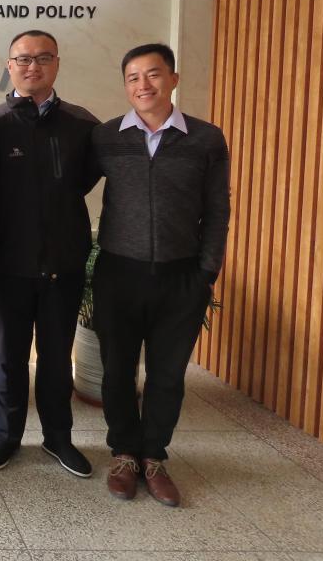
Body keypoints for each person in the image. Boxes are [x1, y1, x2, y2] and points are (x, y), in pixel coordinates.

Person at [91, 43, 230, 507]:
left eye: (153, 74)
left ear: (173, 79)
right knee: (117, 372)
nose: (143, 85)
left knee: (167, 375)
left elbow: (218, 209)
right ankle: (124, 455)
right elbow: (65, 188)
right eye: (133, 77)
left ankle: (153, 457)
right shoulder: (107, 137)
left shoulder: (205, 139)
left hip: (181, 276)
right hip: (118, 273)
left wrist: (206, 271)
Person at [0, 30, 100, 478]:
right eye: (24, 59)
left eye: (43, 58)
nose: (33, 66)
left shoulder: (82, 124)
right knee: (9, 357)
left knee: (56, 357)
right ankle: (6, 435)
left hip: (63, 264)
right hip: (8, 266)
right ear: (9, 65)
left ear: (57, 64)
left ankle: (58, 438)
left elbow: (83, 183)